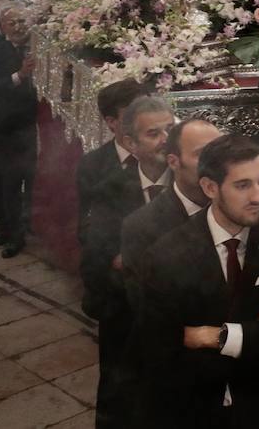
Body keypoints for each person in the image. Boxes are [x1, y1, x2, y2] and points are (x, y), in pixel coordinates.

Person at [137, 135, 259, 425]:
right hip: (196, 406)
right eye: (242, 185)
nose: (258, 196)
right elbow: (161, 346)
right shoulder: (167, 255)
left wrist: (215, 336)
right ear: (210, 187)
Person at [83, 95, 173, 428]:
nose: (165, 139)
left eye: (170, 129)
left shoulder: (191, 184)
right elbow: (99, 260)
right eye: (154, 133)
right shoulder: (110, 190)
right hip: (127, 318)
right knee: (121, 399)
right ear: (131, 143)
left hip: (177, 319)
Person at [120, 118, 222, 311]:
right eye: (203, 154)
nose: (216, 163)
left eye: (220, 153)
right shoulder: (140, 226)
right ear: (174, 162)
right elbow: (145, 305)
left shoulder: (235, 206)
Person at [0, 3, 39, 255]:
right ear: (2, 25)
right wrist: (20, 75)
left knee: (31, 180)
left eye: (22, 22)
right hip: (3, 128)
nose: (18, 27)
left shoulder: (38, 50)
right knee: (6, 183)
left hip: (28, 128)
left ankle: (27, 225)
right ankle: (9, 232)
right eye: (12, 22)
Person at [78, 80, 149, 247]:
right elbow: (86, 228)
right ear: (112, 122)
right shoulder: (93, 165)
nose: (147, 119)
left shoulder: (169, 154)